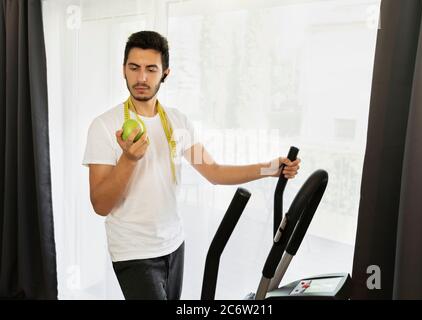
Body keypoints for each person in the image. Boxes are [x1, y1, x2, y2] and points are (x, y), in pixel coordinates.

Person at [82, 31, 301, 300]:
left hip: (174, 246)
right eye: (134, 68)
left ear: (165, 73)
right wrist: (128, 160)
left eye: (151, 69)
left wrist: (271, 168)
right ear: (123, 70)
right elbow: (100, 205)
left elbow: (214, 172)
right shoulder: (103, 126)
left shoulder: (177, 122)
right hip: (133, 251)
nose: (141, 78)